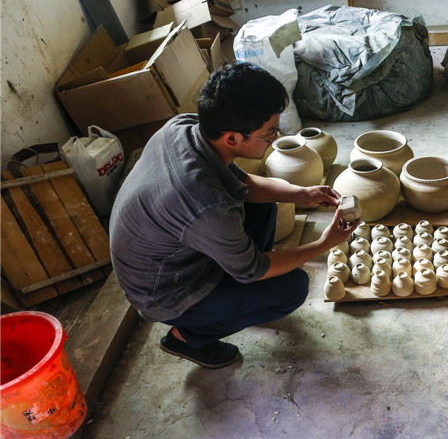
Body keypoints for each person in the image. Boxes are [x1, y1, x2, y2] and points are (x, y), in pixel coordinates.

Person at [110, 62, 357, 369]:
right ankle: (185, 338)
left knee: (266, 202)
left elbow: (243, 184)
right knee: (292, 288)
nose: (273, 139)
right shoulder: (206, 203)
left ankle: (238, 295)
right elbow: (254, 269)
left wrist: (303, 193)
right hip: (166, 293)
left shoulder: (184, 128)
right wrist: (323, 243)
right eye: (268, 134)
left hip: (174, 254)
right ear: (231, 138)